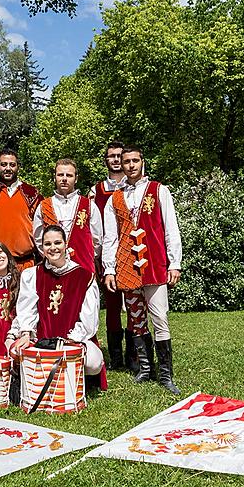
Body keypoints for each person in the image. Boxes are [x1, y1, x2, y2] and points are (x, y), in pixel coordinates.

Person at [102, 146, 183, 395]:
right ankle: (145, 369)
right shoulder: (114, 198)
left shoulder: (159, 190)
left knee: (159, 316)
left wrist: (175, 262)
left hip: (155, 263)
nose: (131, 165)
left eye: (135, 160)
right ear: (121, 165)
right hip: (127, 265)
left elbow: (170, 227)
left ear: (142, 162)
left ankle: (166, 374)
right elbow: (110, 237)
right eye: (126, 161)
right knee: (136, 319)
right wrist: (109, 269)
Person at [9, 225, 105, 387]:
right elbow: (27, 309)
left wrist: (70, 341)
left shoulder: (84, 277)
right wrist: (26, 333)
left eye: (57, 243)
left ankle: (75, 378)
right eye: (47, 244)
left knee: (94, 362)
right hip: (41, 339)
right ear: (42, 247)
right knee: (15, 351)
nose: (53, 248)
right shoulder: (32, 274)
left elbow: (89, 321)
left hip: (73, 339)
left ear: (65, 244)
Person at [91, 141, 130, 370]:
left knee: (136, 306)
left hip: (131, 251)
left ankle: (135, 354)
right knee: (113, 305)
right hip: (109, 253)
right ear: (106, 160)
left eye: (119, 156)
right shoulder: (97, 190)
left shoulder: (134, 187)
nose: (115, 160)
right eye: (111, 156)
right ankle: (116, 356)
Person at [33, 158, 102, 274]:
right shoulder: (43, 206)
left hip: (83, 267)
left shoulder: (89, 205)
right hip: (53, 270)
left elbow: (97, 239)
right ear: (55, 177)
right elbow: (39, 239)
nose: (64, 179)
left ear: (76, 178)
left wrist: (87, 255)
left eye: (69, 175)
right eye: (60, 175)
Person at [0, 149, 43, 270]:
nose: (8, 168)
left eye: (12, 165)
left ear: (18, 167)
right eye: (3, 164)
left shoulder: (32, 194)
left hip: (26, 264)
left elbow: (42, 227)